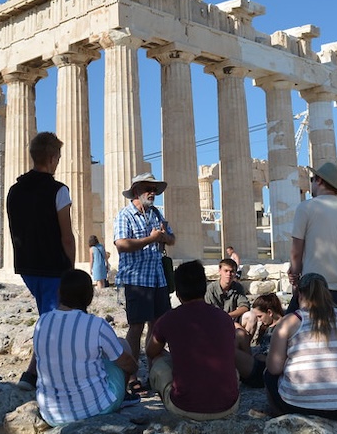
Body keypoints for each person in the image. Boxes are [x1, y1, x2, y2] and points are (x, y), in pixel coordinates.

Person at [6, 132, 76, 391]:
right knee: (53, 321)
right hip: (52, 266)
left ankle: (39, 372)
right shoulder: (58, 190)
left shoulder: (13, 190)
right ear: (52, 157)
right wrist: (71, 268)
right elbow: (66, 236)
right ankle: (34, 375)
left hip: (26, 266)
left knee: (51, 317)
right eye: (58, 156)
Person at [32, 269, 139, 426]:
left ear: (59, 292)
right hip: (93, 409)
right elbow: (126, 363)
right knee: (121, 345)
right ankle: (122, 396)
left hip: (51, 414)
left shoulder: (42, 321)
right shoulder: (96, 325)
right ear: (89, 296)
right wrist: (135, 368)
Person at [265, 273, 337, 434]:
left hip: (301, 405)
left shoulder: (293, 320)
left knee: (268, 375)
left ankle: (288, 423)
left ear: (299, 294)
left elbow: (274, 368)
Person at [146, 260, 239, 420]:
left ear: (178, 292)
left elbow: (151, 351)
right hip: (229, 405)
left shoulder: (168, 319)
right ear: (204, 288)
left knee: (159, 361)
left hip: (185, 407)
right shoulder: (224, 318)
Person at [114, 172, 175, 394]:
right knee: (136, 326)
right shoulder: (125, 215)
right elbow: (121, 244)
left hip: (157, 277)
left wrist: (163, 237)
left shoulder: (157, 213)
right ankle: (131, 375)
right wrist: (151, 238)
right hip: (136, 278)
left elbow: (172, 238)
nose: (153, 192)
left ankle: (153, 372)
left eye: (155, 189)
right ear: (137, 191)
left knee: (158, 326)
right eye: (149, 188)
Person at [288, 162, 337, 311]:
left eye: (312, 179)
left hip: (315, 290)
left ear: (319, 180)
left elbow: (296, 252)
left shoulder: (306, 207)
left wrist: (295, 276)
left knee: (285, 331)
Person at [234, 293, 284, 388]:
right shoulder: (268, 325)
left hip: (263, 370)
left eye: (260, 316)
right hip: (256, 362)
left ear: (269, 313)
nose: (259, 320)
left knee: (231, 352)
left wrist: (260, 357)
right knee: (240, 334)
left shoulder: (282, 328)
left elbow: (279, 359)